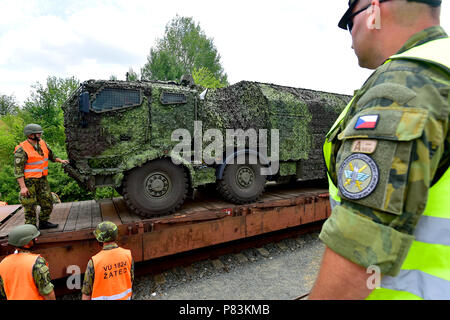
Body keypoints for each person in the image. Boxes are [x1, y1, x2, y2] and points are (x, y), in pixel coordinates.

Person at [310, 0, 449, 299]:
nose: (349, 39)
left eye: (349, 22)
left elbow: (358, 250)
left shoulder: (403, 88)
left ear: (373, 9)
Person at [14, 123, 69, 229]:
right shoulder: (22, 149)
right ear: (30, 134)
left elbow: (51, 155)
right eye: (37, 133)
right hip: (29, 181)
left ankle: (43, 222)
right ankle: (31, 227)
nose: (40, 135)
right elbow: (18, 170)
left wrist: (60, 160)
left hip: (42, 179)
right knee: (29, 205)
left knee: (48, 201)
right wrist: (23, 187)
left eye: (40, 133)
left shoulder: (43, 143)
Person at [0, 224, 56, 300]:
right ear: (26, 244)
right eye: (33, 238)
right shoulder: (37, 262)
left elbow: (3, 292)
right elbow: (47, 292)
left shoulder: (2, 263)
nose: (36, 239)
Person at [81, 221, 134, 300]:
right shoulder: (128, 255)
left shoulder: (94, 262)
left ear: (99, 238)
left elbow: (86, 293)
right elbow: (130, 280)